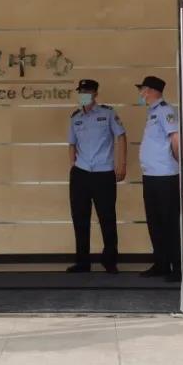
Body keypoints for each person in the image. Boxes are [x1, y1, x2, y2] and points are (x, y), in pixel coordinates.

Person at [67, 79, 126, 273]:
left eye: (87, 91)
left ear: (95, 94)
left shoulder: (107, 113)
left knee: (107, 218)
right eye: (81, 92)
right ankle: (82, 262)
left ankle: (110, 261)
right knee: (80, 219)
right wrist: (73, 167)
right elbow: (72, 144)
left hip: (103, 173)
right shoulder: (75, 117)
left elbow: (121, 136)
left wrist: (121, 164)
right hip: (81, 173)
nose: (83, 95)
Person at [135, 75, 181, 282]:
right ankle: (161, 263)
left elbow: (175, 138)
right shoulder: (152, 112)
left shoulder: (165, 110)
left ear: (152, 90)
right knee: (155, 222)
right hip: (151, 176)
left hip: (165, 176)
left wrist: (179, 162)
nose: (141, 94)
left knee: (169, 223)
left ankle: (177, 267)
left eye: (143, 89)